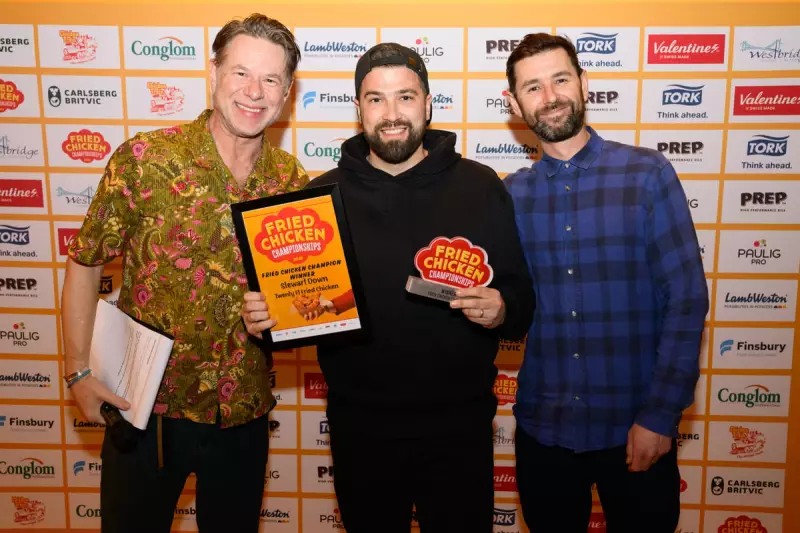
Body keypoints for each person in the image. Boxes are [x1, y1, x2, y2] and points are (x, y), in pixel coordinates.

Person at [242, 43, 534, 533]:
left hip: (459, 432)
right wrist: (267, 321)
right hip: (362, 433)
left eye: (405, 97)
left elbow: (522, 303)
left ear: (428, 103)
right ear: (358, 109)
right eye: (376, 99)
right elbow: (302, 313)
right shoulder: (319, 199)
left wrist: (502, 307)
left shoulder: (481, 186)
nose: (392, 114)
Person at [61, 14, 308, 533]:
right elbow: (85, 262)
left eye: (270, 80)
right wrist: (78, 370)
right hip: (144, 408)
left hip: (241, 413)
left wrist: (280, 319)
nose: (254, 91)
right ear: (214, 72)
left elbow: (298, 299)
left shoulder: (291, 181)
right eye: (241, 72)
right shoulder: (145, 159)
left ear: (286, 94)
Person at [502, 33, 709, 533]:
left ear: (584, 84)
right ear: (514, 104)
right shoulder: (508, 196)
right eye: (532, 87)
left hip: (635, 425)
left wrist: (660, 416)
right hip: (543, 431)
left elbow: (685, 300)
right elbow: (505, 303)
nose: (549, 96)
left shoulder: (646, 174)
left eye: (560, 79)